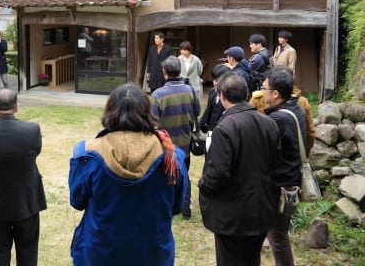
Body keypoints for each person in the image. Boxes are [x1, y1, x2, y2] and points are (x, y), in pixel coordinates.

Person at [69, 84, 187, 265]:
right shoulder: (171, 156)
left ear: (110, 111)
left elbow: (77, 201)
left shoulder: (88, 154)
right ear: (147, 112)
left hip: (101, 250)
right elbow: (176, 206)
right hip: (152, 252)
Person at [199, 72, 280, 266]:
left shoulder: (225, 127)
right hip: (262, 207)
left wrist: (204, 186)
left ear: (222, 96)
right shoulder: (269, 123)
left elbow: (217, 173)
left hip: (232, 212)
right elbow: (276, 163)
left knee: (229, 260)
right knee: (252, 259)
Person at [0, 89, 47, 266]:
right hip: (26, 198)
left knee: (0, 253)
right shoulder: (32, 130)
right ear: (17, 107)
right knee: (28, 251)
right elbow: (35, 152)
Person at [260, 70, 308, 266]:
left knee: (278, 236)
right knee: (278, 234)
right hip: (290, 180)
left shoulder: (278, 119)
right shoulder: (295, 109)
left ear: (276, 93)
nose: (261, 92)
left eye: (264, 89)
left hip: (279, 184)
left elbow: (267, 153)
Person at [150, 56, 199, 219]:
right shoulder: (190, 90)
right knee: (184, 173)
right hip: (185, 141)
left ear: (164, 72)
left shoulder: (158, 94)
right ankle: (186, 208)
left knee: (165, 176)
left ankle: (168, 207)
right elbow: (197, 111)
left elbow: (152, 121)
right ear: (180, 71)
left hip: (165, 146)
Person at [198, 63, 231, 134]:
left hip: (224, 130)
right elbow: (208, 110)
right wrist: (199, 126)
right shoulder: (212, 91)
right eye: (214, 80)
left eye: (218, 80)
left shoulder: (230, 96)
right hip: (211, 128)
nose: (215, 83)